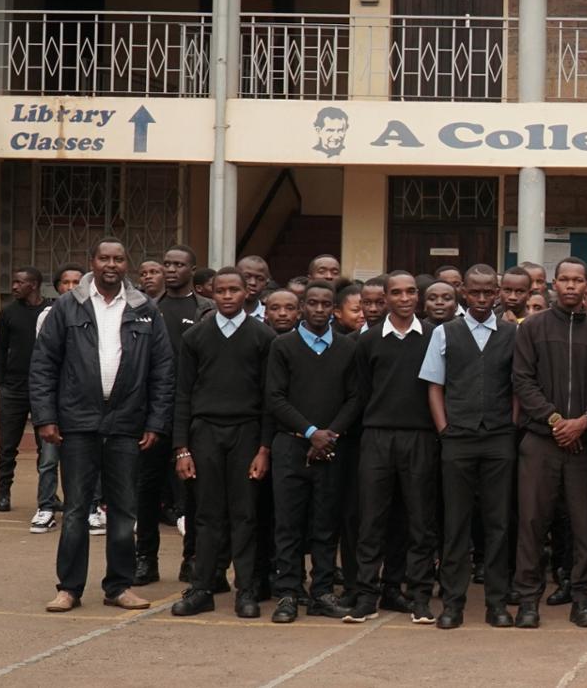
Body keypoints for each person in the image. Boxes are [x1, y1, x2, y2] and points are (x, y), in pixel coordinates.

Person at [33, 238, 175, 613]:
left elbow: (162, 370)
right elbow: (44, 364)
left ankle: (119, 586)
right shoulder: (66, 306)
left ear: (126, 264)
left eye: (118, 258)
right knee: (77, 508)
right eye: (103, 258)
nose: (111, 264)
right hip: (77, 422)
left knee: (124, 509)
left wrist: (156, 421)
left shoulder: (145, 309)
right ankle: (69, 588)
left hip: (127, 423)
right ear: (91, 262)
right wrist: (45, 417)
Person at [170, 267, 279, 618]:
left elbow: (269, 399)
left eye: (235, 290)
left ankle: (246, 590)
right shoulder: (196, 337)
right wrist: (182, 447)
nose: (228, 296)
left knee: (245, 513)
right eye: (222, 291)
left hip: (247, 432)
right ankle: (202, 586)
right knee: (207, 513)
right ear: (211, 294)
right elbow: (183, 394)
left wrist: (264, 448)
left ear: (248, 292)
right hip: (205, 433)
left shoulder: (264, 337)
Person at [336, 272, 438, 624]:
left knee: (418, 521)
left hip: (421, 437)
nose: (405, 298)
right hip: (377, 437)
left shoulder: (433, 337)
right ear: (386, 297)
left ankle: (417, 594)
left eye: (411, 291)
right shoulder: (367, 342)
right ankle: (367, 595)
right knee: (372, 519)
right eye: (397, 292)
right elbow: (361, 393)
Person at [419, 265, 518, 630]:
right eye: (474, 292)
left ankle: (496, 604)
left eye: (487, 292)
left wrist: (511, 423)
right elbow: (434, 385)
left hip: (498, 438)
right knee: (456, 524)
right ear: (465, 294)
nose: (480, 298)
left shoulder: (511, 333)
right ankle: (454, 604)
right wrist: (444, 429)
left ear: (497, 293)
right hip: (457, 438)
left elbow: (518, 384)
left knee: (498, 523)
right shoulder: (445, 333)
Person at [510, 258, 587, 629]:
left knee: (585, 526)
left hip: (584, 443)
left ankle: (582, 598)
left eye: (577, 280)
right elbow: (522, 380)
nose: (570, 286)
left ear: (586, 285)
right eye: (563, 279)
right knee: (532, 522)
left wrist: (583, 423)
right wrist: (554, 421)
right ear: (552, 284)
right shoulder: (532, 328)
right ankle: (528, 601)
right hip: (539, 441)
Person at [263, 279, 361, 623]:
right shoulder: (283, 346)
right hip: (291, 444)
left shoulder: (347, 348)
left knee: (325, 524)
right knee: (288, 524)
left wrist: (329, 435)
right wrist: (310, 432)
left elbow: (354, 398)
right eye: (313, 303)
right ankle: (289, 592)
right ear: (303, 306)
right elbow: (275, 397)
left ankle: (321, 592)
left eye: (325, 304)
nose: (319, 309)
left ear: (333, 308)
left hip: (332, 448)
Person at [148, 244, 211, 586]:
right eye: (166, 263)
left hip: (192, 410)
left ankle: (193, 558)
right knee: (148, 489)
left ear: (193, 269)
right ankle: (146, 559)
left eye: (179, 264)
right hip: (154, 410)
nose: (171, 270)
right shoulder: (145, 307)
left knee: (194, 491)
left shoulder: (208, 310)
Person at [0, 267, 55, 530]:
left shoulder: (51, 311)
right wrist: (0, 384)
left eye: (20, 282)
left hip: (42, 389)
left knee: (47, 448)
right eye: (15, 281)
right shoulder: (8, 312)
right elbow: (0, 349)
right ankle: (3, 493)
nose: (15, 286)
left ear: (34, 285)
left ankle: (48, 497)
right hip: (13, 389)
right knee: (8, 445)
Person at [238, 256, 272, 321]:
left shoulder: (270, 317)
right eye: (246, 277)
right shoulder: (220, 315)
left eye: (260, 279)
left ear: (266, 283)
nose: (253, 283)